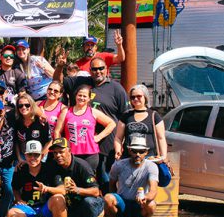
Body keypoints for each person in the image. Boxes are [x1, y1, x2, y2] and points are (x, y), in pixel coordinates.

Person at [54, 56, 128, 191]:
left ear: (106, 69)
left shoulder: (117, 88)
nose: (98, 71)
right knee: (76, 180)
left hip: (106, 145)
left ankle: (107, 208)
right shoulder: (81, 82)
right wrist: (59, 67)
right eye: (94, 69)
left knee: (105, 178)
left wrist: (120, 142)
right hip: (78, 146)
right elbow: (58, 83)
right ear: (90, 70)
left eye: (101, 68)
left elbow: (124, 117)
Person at [7, 140, 67, 217]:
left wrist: (47, 189)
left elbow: (63, 190)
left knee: (59, 198)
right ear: (25, 155)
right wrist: (19, 199)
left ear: (42, 155)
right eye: (30, 155)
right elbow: (15, 188)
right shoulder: (20, 170)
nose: (33, 158)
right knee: (11, 216)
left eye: (36, 155)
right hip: (29, 208)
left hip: (46, 209)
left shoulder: (50, 169)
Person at [50, 137, 104, 217]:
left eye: (61, 152)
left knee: (88, 203)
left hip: (92, 202)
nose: (58, 155)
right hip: (74, 206)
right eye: (55, 153)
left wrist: (77, 190)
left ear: (69, 151)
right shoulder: (54, 166)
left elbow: (95, 191)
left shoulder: (82, 166)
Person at [54, 85, 116, 174]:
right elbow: (57, 131)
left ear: (89, 98)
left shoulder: (93, 112)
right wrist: (60, 147)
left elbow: (111, 123)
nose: (81, 98)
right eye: (79, 95)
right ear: (75, 96)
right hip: (71, 154)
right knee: (70, 180)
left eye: (84, 96)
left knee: (89, 182)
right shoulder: (66, 112)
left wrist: (98, 137)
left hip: (90, 154)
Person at [105, 136, 158, 217]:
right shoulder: (119, 165)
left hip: (139, 204)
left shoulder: (151, 166)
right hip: (123, 202)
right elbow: (111, 184)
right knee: (108, 198)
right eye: (134, 151)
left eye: (141, 151)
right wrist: (115, 202)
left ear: (146, 152)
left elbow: (153, 190)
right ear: (129, 151)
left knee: (151, 204)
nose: (137, 154)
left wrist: (145, 198)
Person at [114, 84, 167, 162]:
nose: (135, 99)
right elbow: (118, 137)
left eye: (139, 96)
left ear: (145, 97)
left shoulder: (154, 115)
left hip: (150, 159)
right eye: (132, 97)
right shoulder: (126, 115)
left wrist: (163, 156)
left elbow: (161, 138)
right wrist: (118, 150)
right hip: (129, 158)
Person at [15, 93, 50, 162]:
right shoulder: (17, 121)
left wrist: (41, 157)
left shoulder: (41, 121)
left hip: (39, 156)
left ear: (32, 106)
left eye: (27, 105)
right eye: (20, 105)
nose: (24, 107)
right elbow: (16, 142)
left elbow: (49, 141)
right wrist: (19, 158)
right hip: (23, 157)